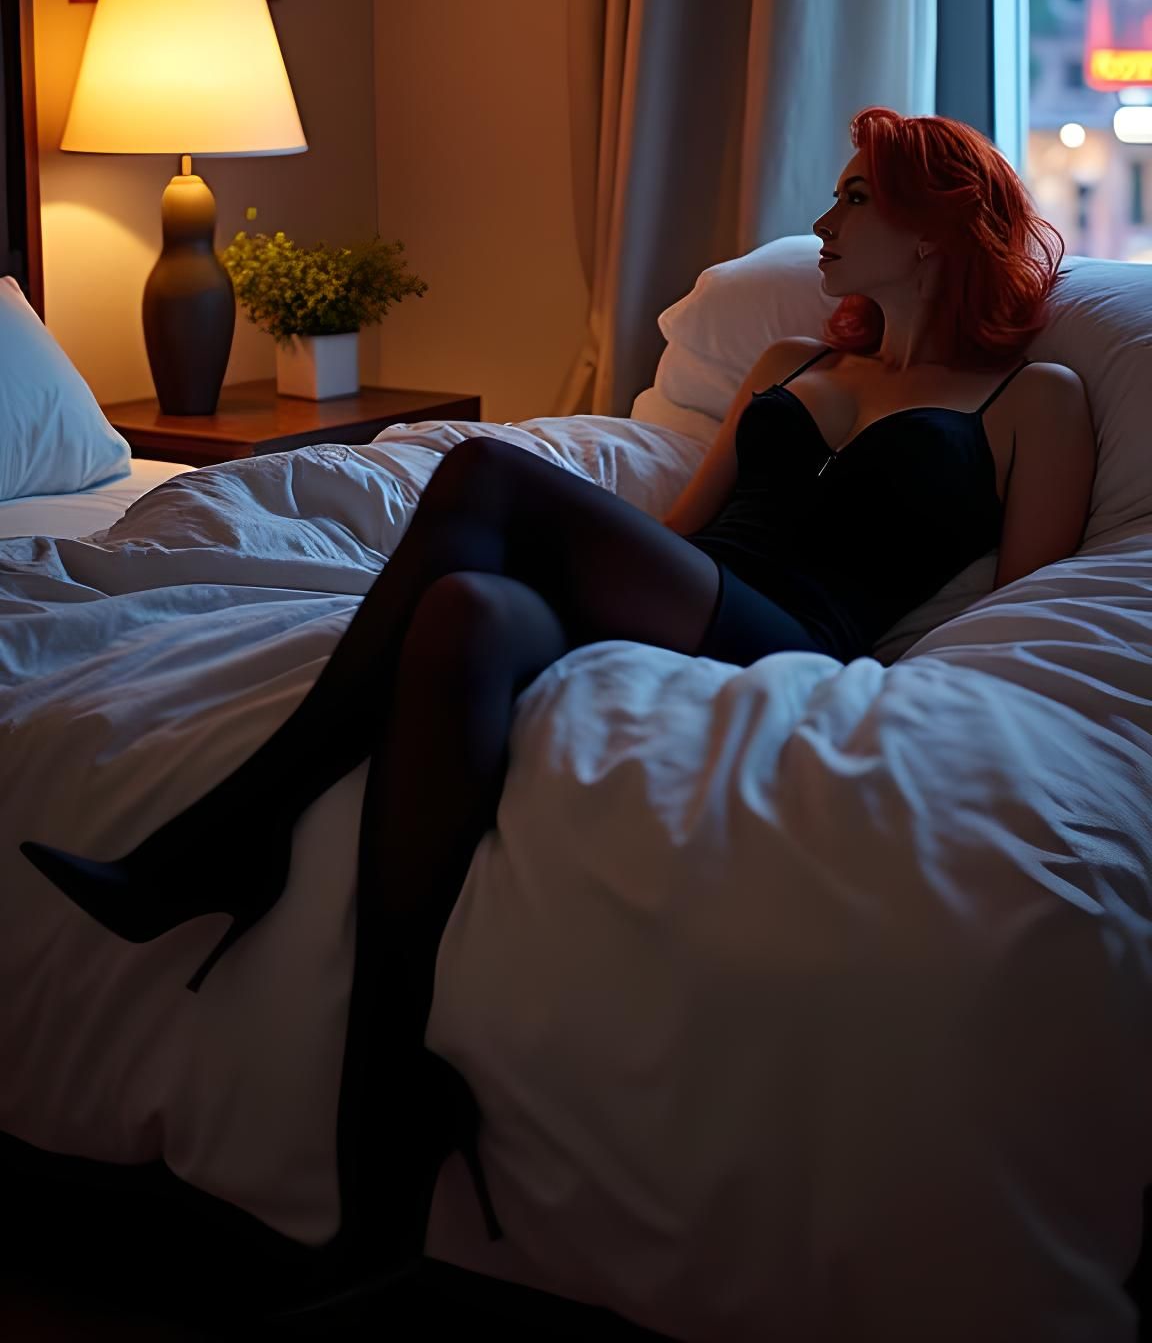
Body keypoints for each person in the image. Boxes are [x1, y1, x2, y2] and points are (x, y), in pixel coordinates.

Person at [19, 107, 1096, 1290]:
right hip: (696, 588)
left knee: (482, 467)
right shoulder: (791, 363)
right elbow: (679, 528)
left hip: (800, 634)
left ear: (934, 228)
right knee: (463, 615)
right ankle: (392, 1072)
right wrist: (555, 551)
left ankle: (238, 834)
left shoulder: (1033, 398)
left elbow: (1023, 610)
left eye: (853, 199)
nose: (823, 222)